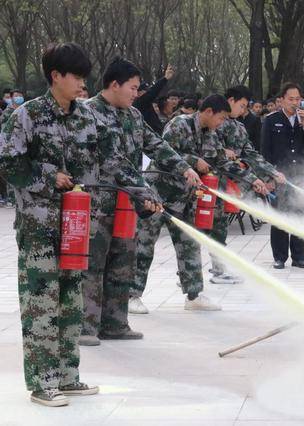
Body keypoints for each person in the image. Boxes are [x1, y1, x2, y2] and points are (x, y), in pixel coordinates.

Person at [0, 42, 109, 407]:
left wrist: (141, 192)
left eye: (84, 76)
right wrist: (51, 177)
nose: (82, 83)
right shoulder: (26, 116)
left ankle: (67, 375)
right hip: (40, 228)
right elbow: (9, 165)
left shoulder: (87, 117)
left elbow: (106, 162)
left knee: (70, 302)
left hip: (76, 226)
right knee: (41, 305)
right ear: (55, 76)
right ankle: (42, 382)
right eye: (76, 76)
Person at [80, 56, 200, 346]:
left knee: (123, 261)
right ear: (114, 84)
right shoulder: (88, 114)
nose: (137, 93)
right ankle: (86, 326)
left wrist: (183, 167)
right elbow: (112, 161)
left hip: (127, 204)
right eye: (133, 88)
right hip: (97, 204)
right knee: (93, 265)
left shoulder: (133, 115)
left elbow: (156, 144)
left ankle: (115, 323)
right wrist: (145, 190)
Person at [131, 94, 268, 313]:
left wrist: (253, 180)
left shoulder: (211, 135)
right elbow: (165, 153)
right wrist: (194, 161)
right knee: (144, 245)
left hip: (186, 199)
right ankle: (132, 295)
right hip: (159, 195)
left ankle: (193, 295)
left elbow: (223, 162)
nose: (221, 123)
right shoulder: (179, 125)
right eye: (221, 118)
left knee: (190, 245)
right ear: (208, 112)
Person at [210, 85, 285, 282]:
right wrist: (253, 179)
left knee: (218, 226)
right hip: (203, 181)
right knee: (193, 227)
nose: (244, 111)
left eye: (246, 107)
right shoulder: (212, 123)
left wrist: (271, 172)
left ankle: (216, 270)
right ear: (231, 100)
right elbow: (213, 153)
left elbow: (250, 154)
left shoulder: (239, 127)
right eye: (242, 105)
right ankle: (188, 272)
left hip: (223, 183)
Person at [262, 82, 304, 269]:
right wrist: (268, 176)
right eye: (291, 99)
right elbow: (265, 151)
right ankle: (279, 257)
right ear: (282, 100)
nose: (295, 103)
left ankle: (299, 256)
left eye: (298, 99)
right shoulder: (271, 120)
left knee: (300, 214)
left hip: (301, 175)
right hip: (279, 175)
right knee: (280, 216)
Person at [133, 65, 175, 134]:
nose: (147, 93)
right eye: (145, 91)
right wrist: (165, 78)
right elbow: (153, 91)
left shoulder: (147, 104)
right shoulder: (139, 103)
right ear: (139, 93)